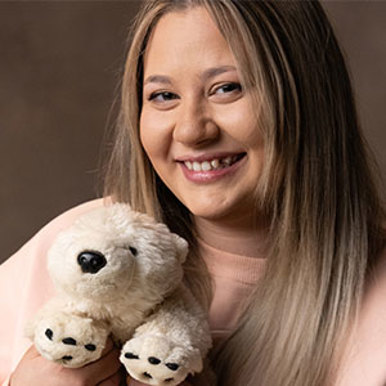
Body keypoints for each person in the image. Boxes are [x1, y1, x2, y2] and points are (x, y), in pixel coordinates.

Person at [1, 0, 385, 385]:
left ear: (309, 96)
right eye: (163, 96)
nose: (190, 131)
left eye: (226, 88)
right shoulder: (76, 245)